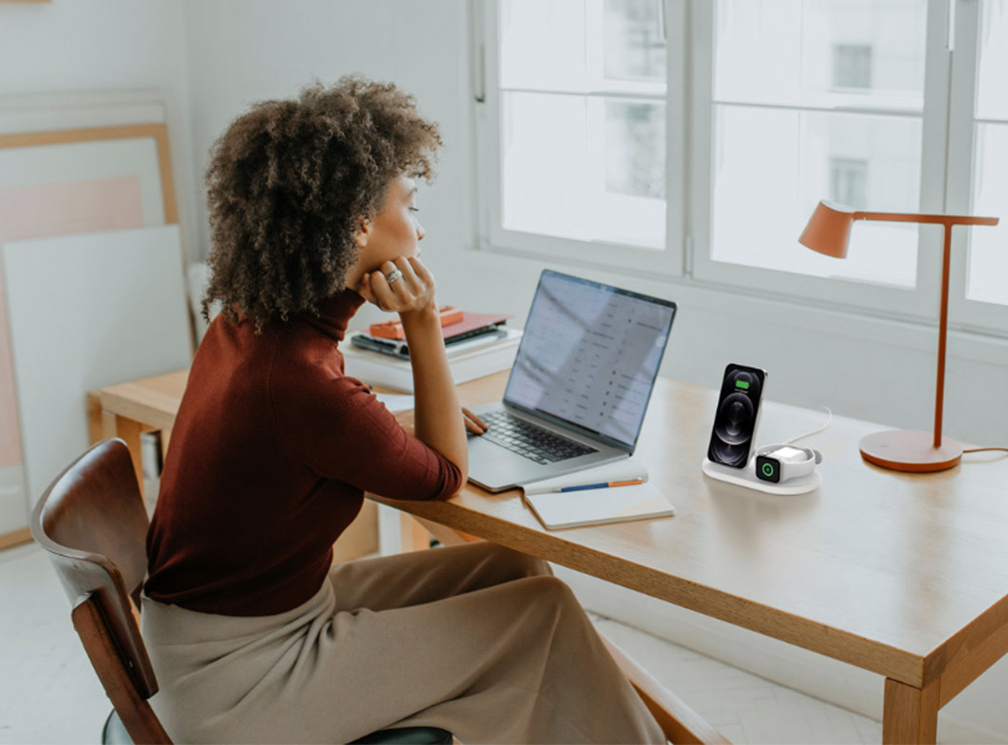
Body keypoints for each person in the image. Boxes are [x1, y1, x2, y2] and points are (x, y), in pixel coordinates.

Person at [140, 76, 665, 744]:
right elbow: (445, 473)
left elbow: (312, 430)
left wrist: (386, 422)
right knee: (546, 612)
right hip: (240, 682)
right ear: (359, 224)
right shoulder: (303, 384)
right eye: (410, 205)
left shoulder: (253, 324)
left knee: (514, 570)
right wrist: (422, 319)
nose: (419, 228)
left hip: (218, 634)